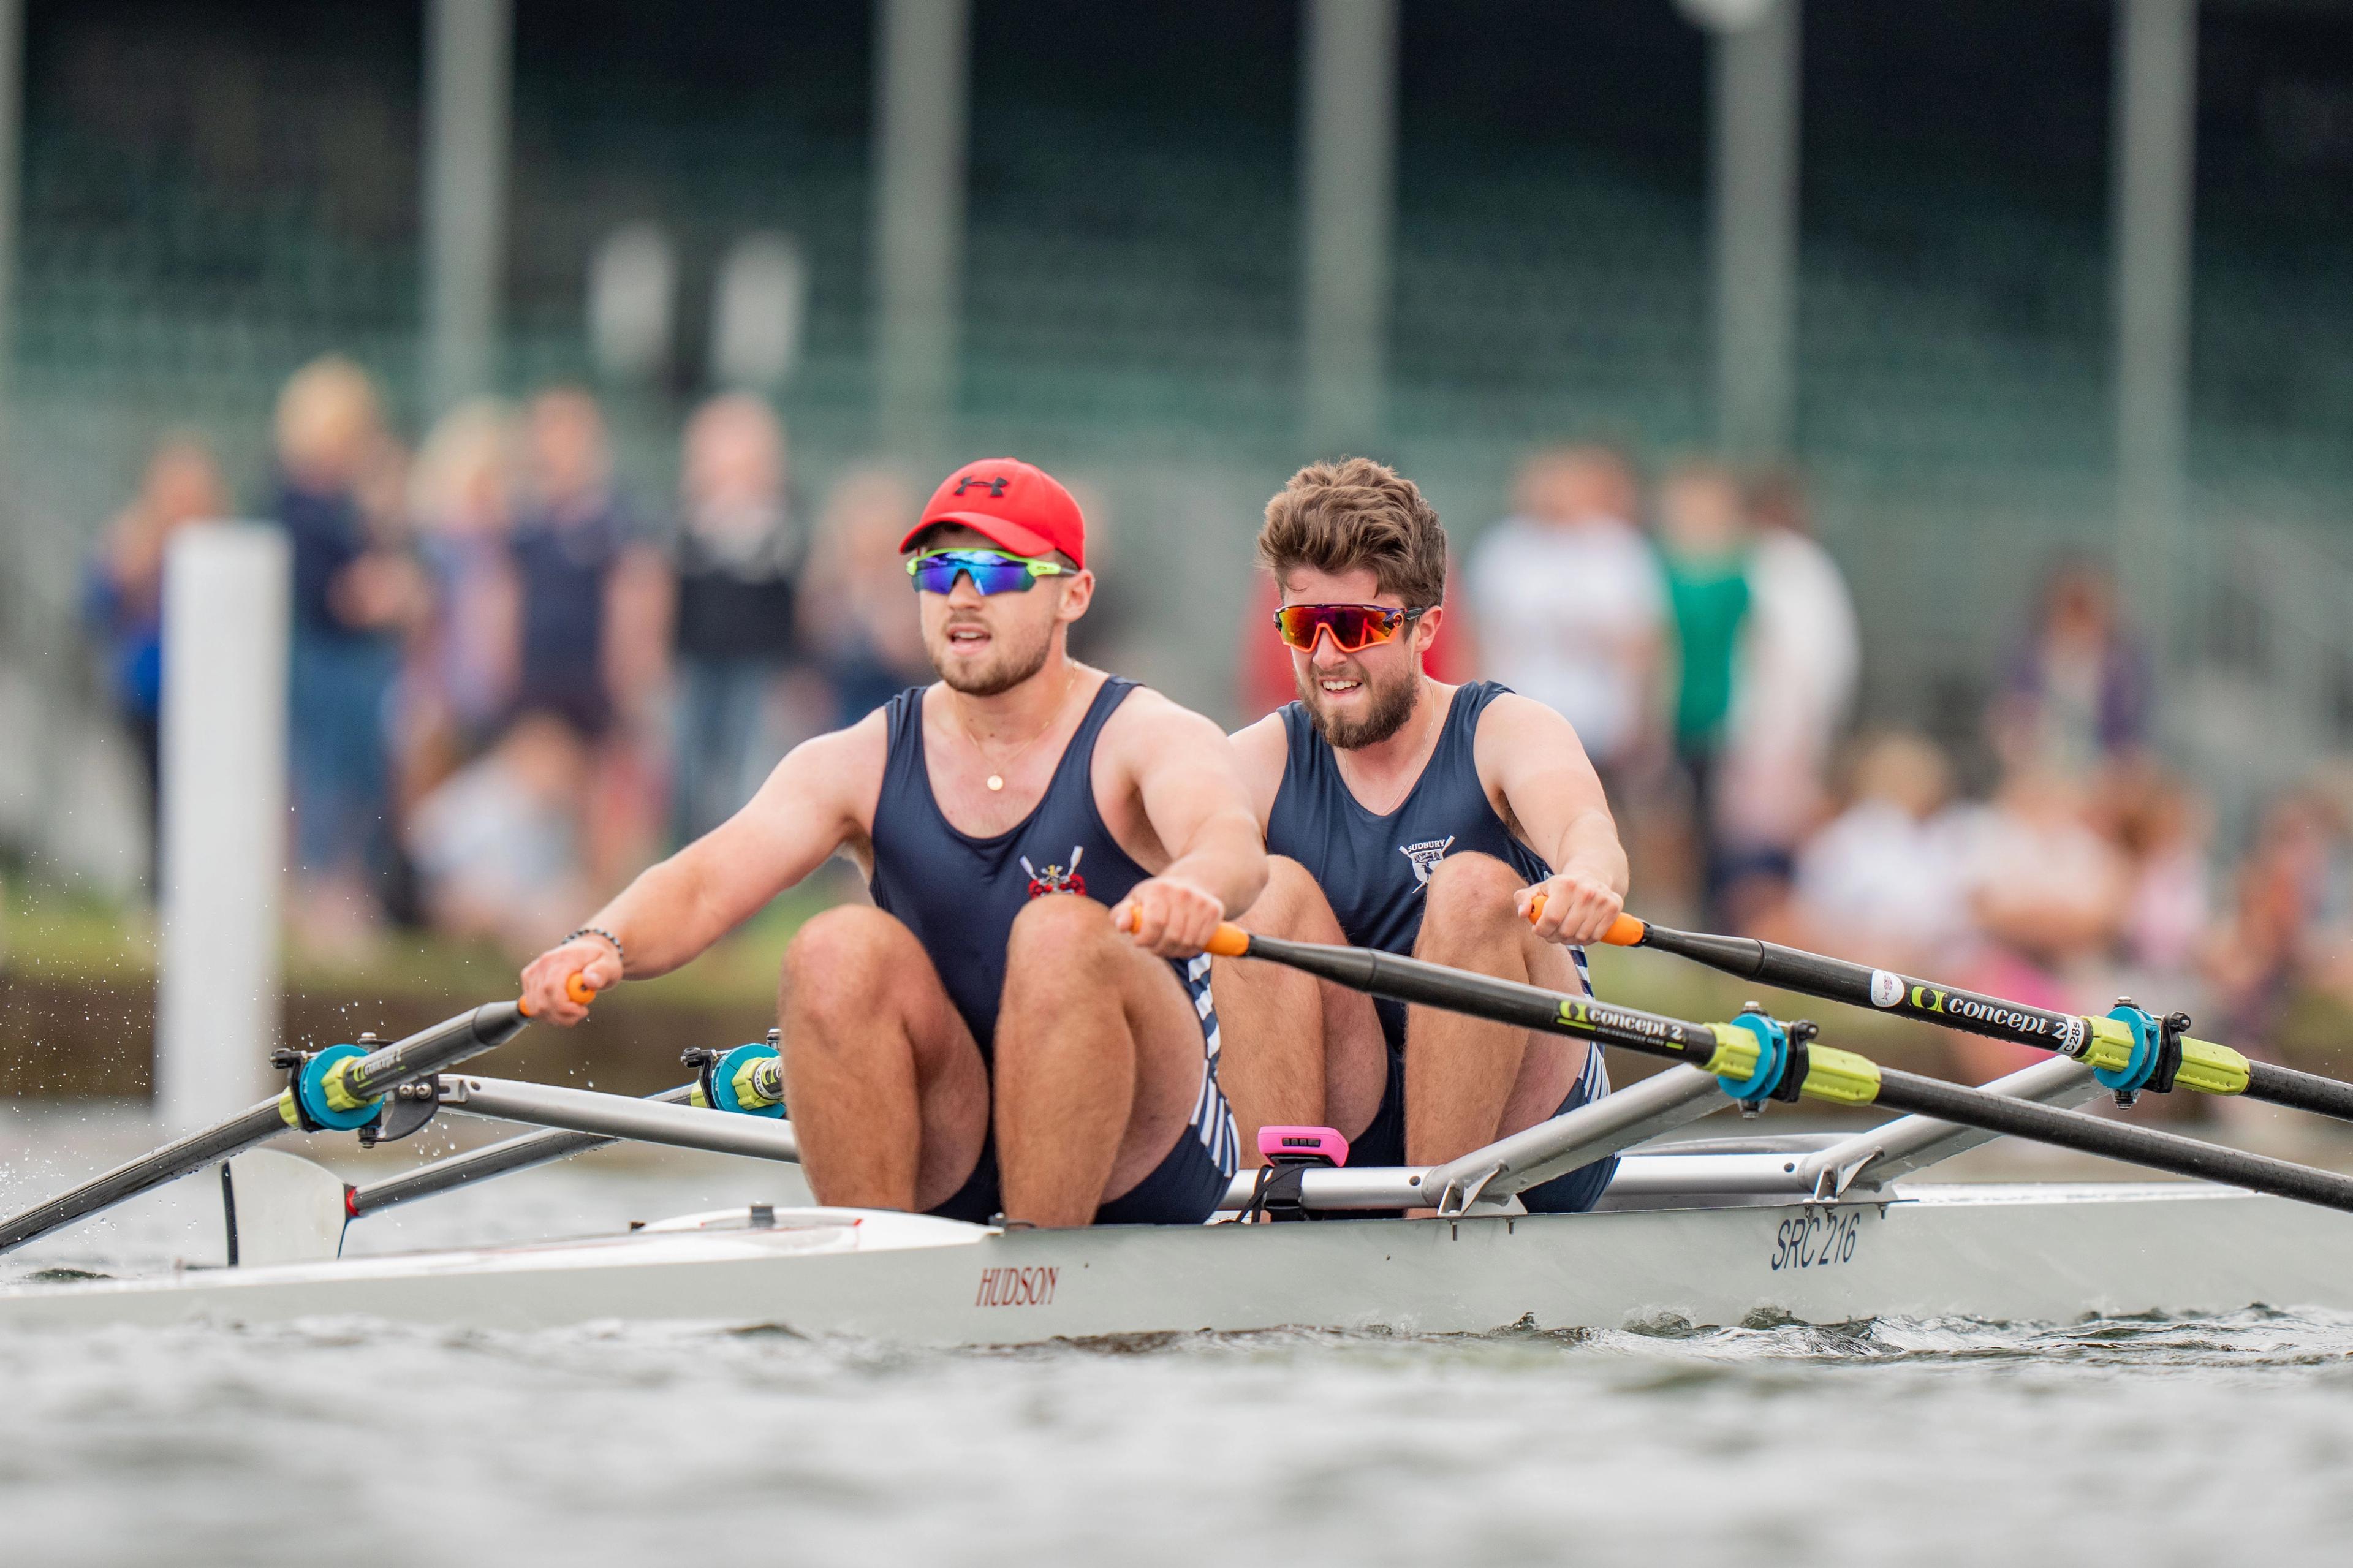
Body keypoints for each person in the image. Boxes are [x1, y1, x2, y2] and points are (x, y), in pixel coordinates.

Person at [519, 458, 1265, 1229]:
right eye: (939, 570)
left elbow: (1230, 843)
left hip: (1144, 1149)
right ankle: (875, 1260)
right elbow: (705, 881)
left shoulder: (1146, 734)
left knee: (1060, 936)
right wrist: (598, 942)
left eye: (998, 570)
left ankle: (1038, 1262)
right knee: (833, 948)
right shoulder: (860, 757)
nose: (963, 595)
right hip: (956, 1128)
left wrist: (1195, 887)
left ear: (1073, 594)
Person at [1216, 458, 1630, 1213]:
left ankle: (1430, 1231)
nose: (1327, 657)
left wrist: (1588, 877)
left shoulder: (1503, 729)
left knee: (1472, 887)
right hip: (1361, 1111)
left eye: (1355, 627)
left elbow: (1583, 825)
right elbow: (1168, 853)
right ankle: (1270, 1222)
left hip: (1533, 1131)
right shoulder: (1258, 760)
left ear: (1425, 628)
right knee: (1261, 897)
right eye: (1304, 626)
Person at [275, 356, 427, 948]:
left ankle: (350, 889)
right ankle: (320, 895)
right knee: (323, 783)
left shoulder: (350, 504)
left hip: (361, 666)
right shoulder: (300, 504)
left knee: (363, 784)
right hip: (322, 663)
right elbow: (338, 594)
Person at [1464, 445, 1663, 793]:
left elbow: (1646, 645)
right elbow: (1479, 638)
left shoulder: (1620, 549)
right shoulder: (1504, 548)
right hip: (1519, 715)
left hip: (1599, 722)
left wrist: (1643, 722)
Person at [666, 393, 819, 844]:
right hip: (696, 659)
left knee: (747, 762)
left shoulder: (782, 522)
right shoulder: (688, 522)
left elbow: (798, 599)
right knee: (691, 763)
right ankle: (688, 846)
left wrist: (797, 666)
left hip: (758, 664)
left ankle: (740, 850)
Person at [84, 436, 229, 883]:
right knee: (155, 797)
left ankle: (199, 883)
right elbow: (95, 609)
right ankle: (158, 886)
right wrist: (122, 571)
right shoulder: (135, 541)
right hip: (150, 694)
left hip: (209, 696)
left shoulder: (222, 546)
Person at [1654, 461, 1755, 920]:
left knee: (1715, 823)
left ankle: (1707, 912)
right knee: (1667, 816)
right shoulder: (1659, 570)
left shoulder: (1739, 579)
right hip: (1673, 713)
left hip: (1720, 714)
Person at [798, 466, 934, 725]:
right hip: (837, 708)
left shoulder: (913, 580)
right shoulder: (829, 579)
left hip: (897, 706)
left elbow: (910, 655)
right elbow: (813, 642)